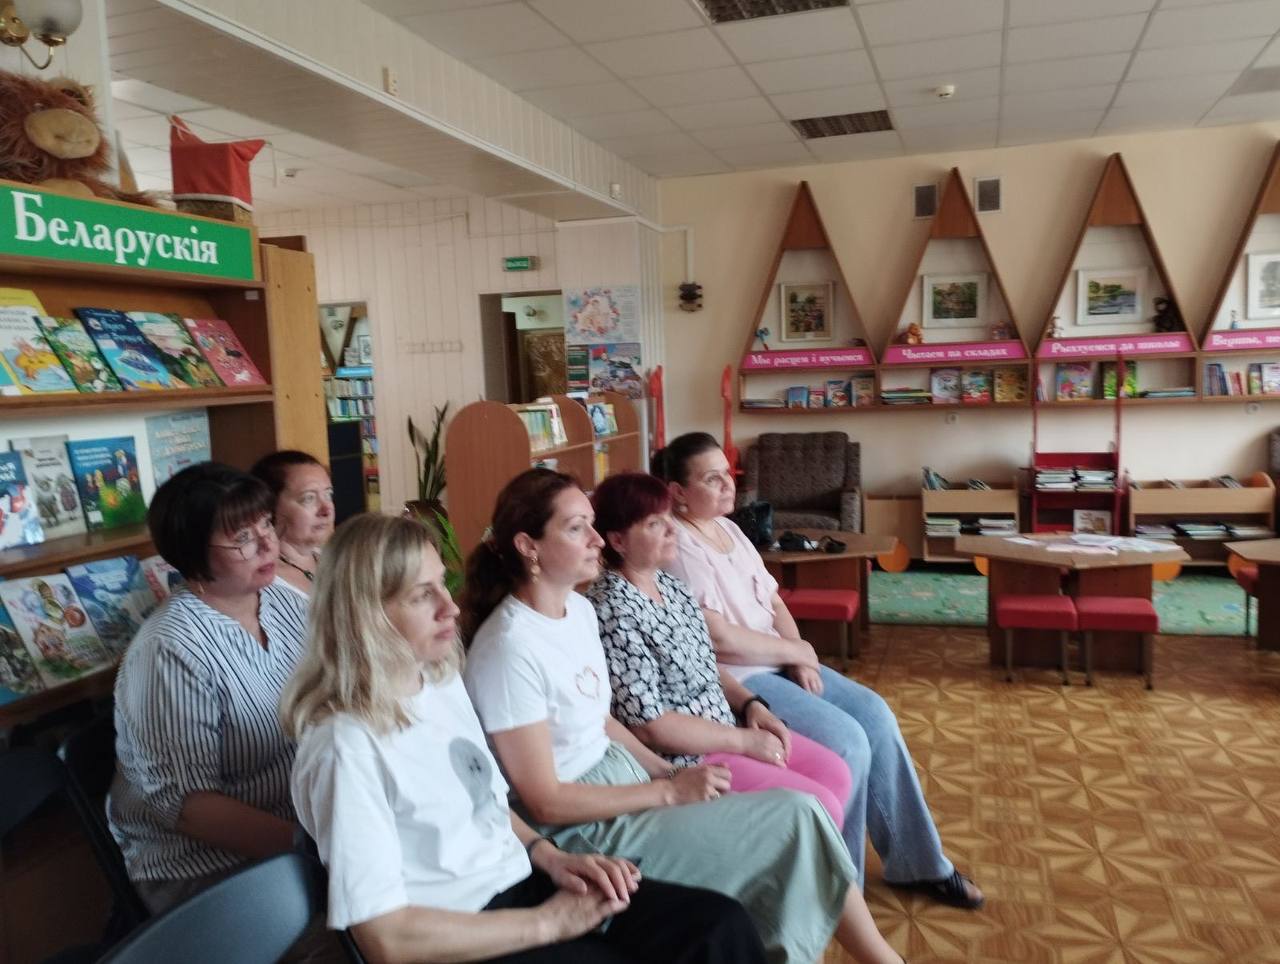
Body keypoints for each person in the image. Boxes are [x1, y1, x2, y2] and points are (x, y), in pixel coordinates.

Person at [460, 468, 904, 964]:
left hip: (626, 782)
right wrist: (668, 791)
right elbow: (545, 802)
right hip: (583, 824)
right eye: (576, 528)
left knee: (801, 820)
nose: (594, 539)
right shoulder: (509, 648)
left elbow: (600, 721)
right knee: (797, 820)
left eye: (591, 524)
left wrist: (664, 771)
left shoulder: (576, 612)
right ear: (529, 546)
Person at [283, 513, 768, 964]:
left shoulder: (438, 681)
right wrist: (548, 923)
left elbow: (489, 806)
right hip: (456, 933)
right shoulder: (345, 745)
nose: (450, 606)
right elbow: (384, 939)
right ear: (365, 616)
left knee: (719, 926)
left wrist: (551, 857)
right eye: (421, 595)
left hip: (519, 884)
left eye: (441, 584)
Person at [654, 432, 984, 909]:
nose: (728, 485)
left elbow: (773, 602)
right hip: (741, 679)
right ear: (678, 492)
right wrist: (796, 652)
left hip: (780, 659)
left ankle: (920, 862)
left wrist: (796, 653)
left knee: (876, 714)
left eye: (727, 474)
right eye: (712, 479)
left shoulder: (730, 529)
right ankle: (842, 892)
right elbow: (718, 638)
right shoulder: (679, 545)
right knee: (847, 743)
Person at [585, 471, 851, 830]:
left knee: (836, 774)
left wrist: (752, 705)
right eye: (654, 523)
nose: (671, 529)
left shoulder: (671, 586)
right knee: (817, 807)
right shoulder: (612, 608)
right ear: (618, 540)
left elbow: (707, 666)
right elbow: (650, 726)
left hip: (726, 727)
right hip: (689, 758)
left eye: (668, 518)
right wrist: (743, 741)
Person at [109, 462, 308, 913]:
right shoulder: (170, 650)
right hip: (208, 863)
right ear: (193, 551)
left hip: (301, 822)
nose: (267, 543)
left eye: (266, 524)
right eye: (242, 538)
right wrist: (314, 849)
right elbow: (189, 808)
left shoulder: (281, 599)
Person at [251, 450, 335, 596]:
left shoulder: (338, 562)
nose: (326, 510)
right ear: (269, 506)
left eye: (328, 495)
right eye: (309, 498)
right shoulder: (262, 583)